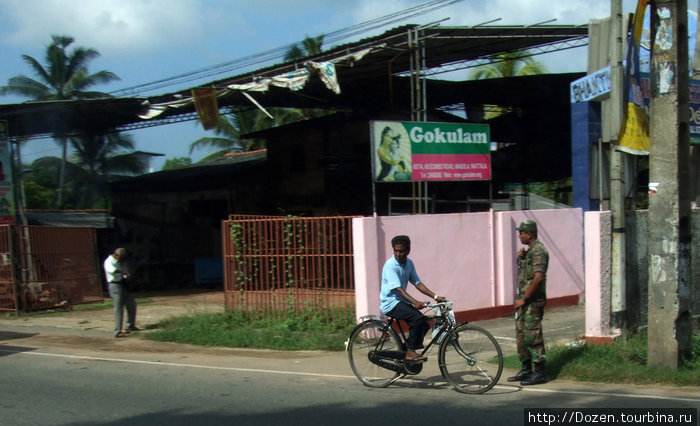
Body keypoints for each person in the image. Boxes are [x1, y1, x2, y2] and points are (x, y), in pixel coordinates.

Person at [379, 235, 445, 362]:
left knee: (424, 324)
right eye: (396, 250)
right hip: (390, 303)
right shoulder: (390, 265)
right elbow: (398, 289)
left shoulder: (409, 263)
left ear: (408, 250)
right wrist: (414, 302)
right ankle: (410, 352)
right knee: (416, 318)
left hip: (400, 301)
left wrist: (436, 296)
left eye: (401, 251)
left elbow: (417, 283)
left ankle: (404, 352)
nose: (398, 254)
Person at [508, 220, 548, 385]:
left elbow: (538, 277)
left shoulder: (539, 251)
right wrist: (522, 258)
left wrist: (524, 299)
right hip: (524, 302)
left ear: (529, 234)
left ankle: (539, 372)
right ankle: (526, 369)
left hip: (532, 301)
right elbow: (527, 274)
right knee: (521, 336)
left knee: (533, 336)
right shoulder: (530, 252)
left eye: (521, 232)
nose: (519, 235)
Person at [103, 247, 138, 338]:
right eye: (121, 257)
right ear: (116, 255)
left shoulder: (119, 261)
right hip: (114, 285)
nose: (121, 260)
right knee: (119, 308)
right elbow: (113, 270)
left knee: (131, 304)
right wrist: (123, 272)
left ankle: (131, 325)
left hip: (122, 284)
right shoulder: (108, 262)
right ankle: (117, 331)